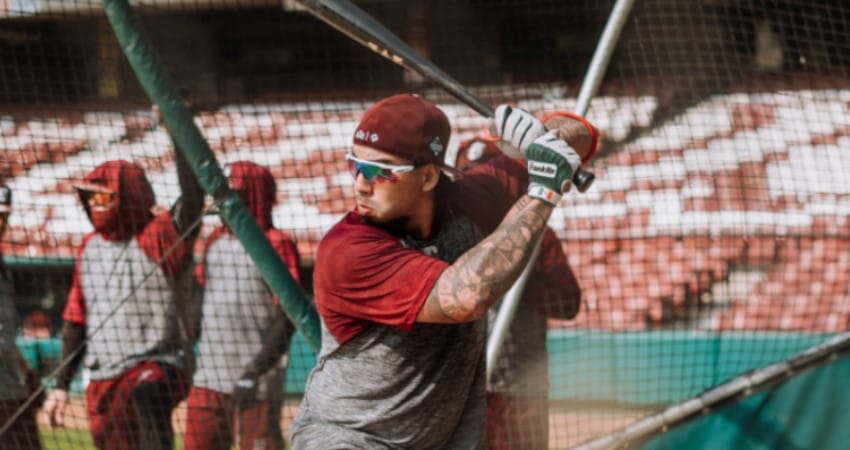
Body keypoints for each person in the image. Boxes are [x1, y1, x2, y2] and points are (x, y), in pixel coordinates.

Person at [288, 93, 590, 449]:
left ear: (429, 177)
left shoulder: (472, 201)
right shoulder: (348, 249)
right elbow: (466, 297)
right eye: (356, 166)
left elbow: (582, 136)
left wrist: (541, 135)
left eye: (380, 171)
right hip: (351, 439)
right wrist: (542, 192)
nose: (360, 184)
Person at [42, 110, 204, 450]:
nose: (95, 205)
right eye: (90, 198)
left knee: (148, 393)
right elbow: (75, 321)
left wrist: (177, 128)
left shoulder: (158, 233)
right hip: (103, 376)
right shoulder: (88, 247)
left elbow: (192, 200)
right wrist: (60, 386)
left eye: (104, 197)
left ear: (128, 195)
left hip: (159, 363)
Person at [454, 137, 582, 450]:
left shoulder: (539, 235)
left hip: (519, 387)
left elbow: (569, 303)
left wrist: (514, 276)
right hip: (459, 387)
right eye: (470, 177)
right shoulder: (449, 232)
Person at [183, 160, 302, 450]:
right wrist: (184, 343)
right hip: (209, 377)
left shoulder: (276, 244)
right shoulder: (214, 241)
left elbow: (286, 318)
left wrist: (254, 372)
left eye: (233, 193)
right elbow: (200, 298)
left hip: (256, 381)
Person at [0, 184, 44, 450]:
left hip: (10, 391)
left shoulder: (3, 268)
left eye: (4, 216)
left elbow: (5, 338)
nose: (0, 223)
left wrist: (29, 375)